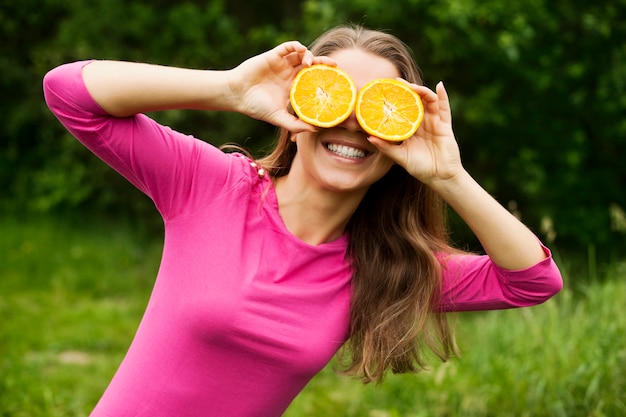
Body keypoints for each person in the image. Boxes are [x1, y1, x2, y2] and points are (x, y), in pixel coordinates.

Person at [43, 24, 562, 417]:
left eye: (377, 109)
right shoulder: (214, 186)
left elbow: (534, 280)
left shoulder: (384, 266)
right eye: (332, 99)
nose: (353, 126)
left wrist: (449, 177)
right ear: (298, 110)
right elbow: (69, 91)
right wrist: (228, 90)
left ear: (403, 134)